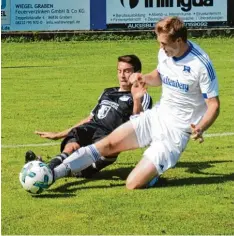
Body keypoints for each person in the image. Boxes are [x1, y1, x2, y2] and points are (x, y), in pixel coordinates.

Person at [47, 16, 220, 190]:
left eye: (164, 44)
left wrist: (201, 127)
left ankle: (153, 173)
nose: (160, 47)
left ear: (179, 40)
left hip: (175, 133)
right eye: (159, 43)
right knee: (107, 145)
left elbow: (214, 105)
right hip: (156, 117)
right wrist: (143, 78)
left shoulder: (201, 65)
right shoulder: (165, 53)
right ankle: (53, 174)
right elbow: (159, 76)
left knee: (133, 184)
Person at [26, 54, 153, 178]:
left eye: (127, 71)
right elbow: (89, 119)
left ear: (137, 73)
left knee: (79, 170)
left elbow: (138, 123)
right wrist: (58, 134)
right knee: (71, 146)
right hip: (91, 128)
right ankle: (46, 169)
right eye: (119, 71)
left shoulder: (143, 96)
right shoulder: (107, 92)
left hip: (109, 139)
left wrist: (136, 98)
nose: (122, 75)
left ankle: (42, 169)